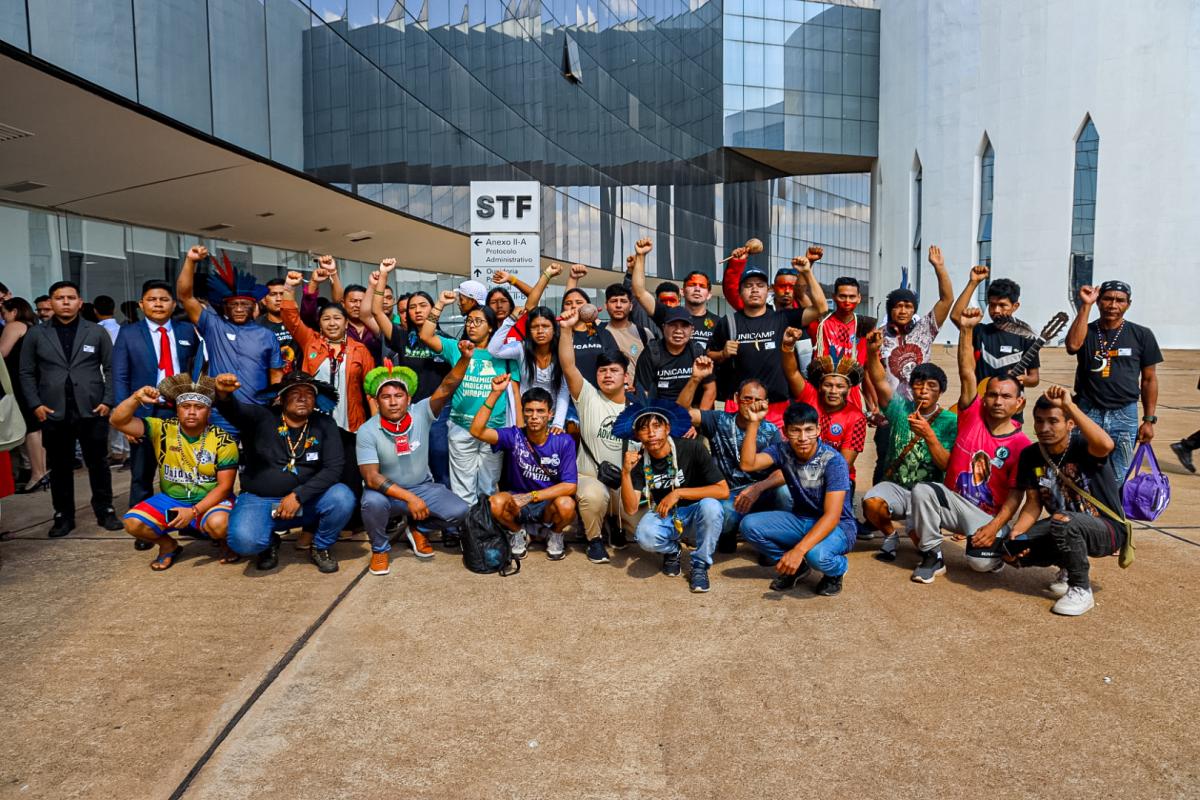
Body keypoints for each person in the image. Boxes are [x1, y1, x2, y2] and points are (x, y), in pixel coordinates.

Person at [907, 307, 1032, 584]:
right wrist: (966, 330)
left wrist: (994, 527)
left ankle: (996, 548)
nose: (998, 401)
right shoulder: (972, 415)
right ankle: (932, 557)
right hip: (954, 503)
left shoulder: (1022, 444)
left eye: (1006, 397)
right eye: (993, 395)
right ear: (984, 398)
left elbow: (1016, 496)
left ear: (1019, 402)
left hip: (985, 516)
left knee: (980, 565)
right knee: (922, 491)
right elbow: (967, 372)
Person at [999, 386, 1127, 616]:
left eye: (1053, 421)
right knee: (1010, 550)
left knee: (1063, 521)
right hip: (1061, 525)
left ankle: (1081, 588)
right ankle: (1068, 564)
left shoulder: (1084, 447)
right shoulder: (1031, 455)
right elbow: (1033, 503)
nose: (1044, 428)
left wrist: (1069, 405)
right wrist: (1018, 533)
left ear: (1070, 423)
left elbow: (1106, 445)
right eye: (1039, 421)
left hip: (1107, 529)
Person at [218, 371, 355, 573]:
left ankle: (321, 545)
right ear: (281, 398)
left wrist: (299, 496)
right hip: (261, 500)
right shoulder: (261, 416)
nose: (302, 398)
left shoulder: (325, 423)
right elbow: (234, 410)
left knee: (342, 497)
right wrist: (223, 395)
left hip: (306, 502)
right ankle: (268, 543)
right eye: (295, 393)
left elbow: (333, 468)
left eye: (309, 394)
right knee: (243, 542)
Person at [18, 281, 122, 537]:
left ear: (80, 302)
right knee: (60, 466)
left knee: (98, 463)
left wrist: (108, 401)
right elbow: (26, 372)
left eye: (70, 297)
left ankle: (105, 510)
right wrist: (35, 404)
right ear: (50, 302)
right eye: (59, 298)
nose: (65, 302)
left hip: (92, 408)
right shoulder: (36, 334)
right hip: (52, 409)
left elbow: (112, 368)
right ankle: (63, 515)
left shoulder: (96, 332)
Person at [357, 356, 474, 575]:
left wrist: (465, 359)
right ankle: (380, 548)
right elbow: (371, 477)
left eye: (398, 396)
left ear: (409, 398)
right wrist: (410, 498)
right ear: (376, 401)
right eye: (386, 397)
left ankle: (418, 527)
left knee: (460, 511)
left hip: (422, 487)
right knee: (371, 503)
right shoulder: (367, 430)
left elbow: (447, 386)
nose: (393, 402)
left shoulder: (421, 412)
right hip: (386, 494)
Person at [109, 375, 238, 570]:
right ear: (177, 409)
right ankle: (168, 545)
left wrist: (193, 511)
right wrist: (136, 398)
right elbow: (117, 421)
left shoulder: (223, 440)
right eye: (186, 406)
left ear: (209, 412)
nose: (192, 412)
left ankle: (224, 541)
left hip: (211, 501)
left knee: (220, 524)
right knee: (133, 523)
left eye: (199, 407)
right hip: (173, 500)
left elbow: (225, 487)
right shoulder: (162, 429)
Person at [112, 280, 202, 549]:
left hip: (180, 412)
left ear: (173, 304)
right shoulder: (129, 333)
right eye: (152, 300)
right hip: (144, 413)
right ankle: (145, 530)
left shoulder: (186, 330)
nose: (158, 304)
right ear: (142, 304)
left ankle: (187, 522)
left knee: (184, 471)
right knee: (142, 472)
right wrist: (125, 420)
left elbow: (197, 368)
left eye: (164, 299)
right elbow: (120, 376)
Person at [739, 400, 857, 596]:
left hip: (839, 527)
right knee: (749, 525)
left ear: (818, 430)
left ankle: (837, 570)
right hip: (802, 519)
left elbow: (832, 516)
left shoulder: (833, 461)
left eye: (809, 430)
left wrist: (799, 550)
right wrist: (753, 423)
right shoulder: (782, 450)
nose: (803, 438)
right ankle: (797, 567)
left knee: (817, 556)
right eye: (795, 431)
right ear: (785, 432)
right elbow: (747, 464)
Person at [861, 329, 957, 562]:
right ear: (911, 388)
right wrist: (872, 353)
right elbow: (880, 381)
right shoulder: (900, 409)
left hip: (927, 494)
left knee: (923, 545)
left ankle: (922, 529)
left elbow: (946, 464)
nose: (924, 390)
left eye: (932, 386)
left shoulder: (950, 421)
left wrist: (928, 435)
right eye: (918, 385)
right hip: (897, 487)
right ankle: (891, 535)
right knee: (871, 504)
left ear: (941, 391)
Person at [616, 397, 728, 593]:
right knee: (644, 535)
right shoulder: (639, 462)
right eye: (644, 428)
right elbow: (631, 508)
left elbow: (722, 490)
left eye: (656, 426)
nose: (651, 433)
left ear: (667, 428)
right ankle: (672, 550)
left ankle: (700, 565)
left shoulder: (692, 448)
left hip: (696, 515)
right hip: (665, 516)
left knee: (712, 506)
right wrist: (625, 473)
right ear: (637, 435)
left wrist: (679, 493)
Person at [419, 292, 521, 507]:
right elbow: (426, 335)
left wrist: (518, 430)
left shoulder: (504, 354)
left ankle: (485, 524)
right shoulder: (457, 348)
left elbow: (514, 392)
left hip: (493, 429)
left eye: (478, 322)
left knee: (488, 487)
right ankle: (467, 527)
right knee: (462, 489)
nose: (472, 326)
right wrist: (440, 304)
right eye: (469, 321)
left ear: (491, 327)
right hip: (460, 426)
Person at [676, 357, 788, 548]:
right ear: (736, 398)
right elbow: (680, 414)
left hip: (761, 492)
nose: (752, 404)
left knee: (785, 492)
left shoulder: (771, 431)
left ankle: (775, 537)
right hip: (729, 494)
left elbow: (784, 471)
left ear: (766, 403)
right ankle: (730, 532)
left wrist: (758, 488)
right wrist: (695, 379)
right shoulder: (719, 420)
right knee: (723, 514)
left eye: (758, 400)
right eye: (747, 398)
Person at [707, 256, 828, 426]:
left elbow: (821, 308)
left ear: (768, 290)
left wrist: (807, 272)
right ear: (740, 292)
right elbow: (709, 355)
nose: (754, 290)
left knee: (776, 445)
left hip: (776, 408)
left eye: (760, 285)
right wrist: (722, 353)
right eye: (748, 286)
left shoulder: (782, 319)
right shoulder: (728, 322)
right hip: (739, 406)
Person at [176, 245, 284, 434]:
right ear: (225, 307)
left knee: (259, 454)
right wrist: (190, 261)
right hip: (222, 414)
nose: (239, 309)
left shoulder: (267, 335)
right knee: (224, 454)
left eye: (244, 304)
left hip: (258, 413)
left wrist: (276, 403)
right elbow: (185, 296)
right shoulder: (213, 326)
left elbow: (276, 374)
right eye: (234, 305)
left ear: (254, 306)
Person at [870, 244, 955, 484]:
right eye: (897, 306)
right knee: (885, 461)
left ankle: (923, 500)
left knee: (924, 460)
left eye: (908, 306)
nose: (903, 310)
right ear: (890, 310)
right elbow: (871, 375)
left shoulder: (924, 330)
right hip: (892, 411)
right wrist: (872, 406)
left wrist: (939, 267)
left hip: (923, 408)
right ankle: (879, 502)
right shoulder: (878, 336)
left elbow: (947, 299)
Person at [470, 378, 579, 561]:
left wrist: (532, 496)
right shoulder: (514, 436)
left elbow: (570, 485)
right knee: (494, 503)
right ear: (523, 413)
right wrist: (495, 393)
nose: (534, 416)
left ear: (550, 414)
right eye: (529, 411)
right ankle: (517, 532)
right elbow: (476, 431)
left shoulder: (563, 441)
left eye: (540, 411)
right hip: (516, 502)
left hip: (546, 503)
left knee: (567, 505)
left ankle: (554, 533)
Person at [1065, 281, 1161, 482]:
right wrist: (1086, 305)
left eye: (1120, 300)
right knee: (1079, 473)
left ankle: (1112, 504)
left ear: (1128, 304)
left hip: (1124, 414)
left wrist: (1148, 420)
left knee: (1118, 476)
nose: (1113, 305)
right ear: (1099, 301)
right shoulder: (1086, 330)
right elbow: (1073, 345)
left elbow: (1149, 379)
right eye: (1107, 299)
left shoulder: (1142, 335)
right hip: (1087, 411)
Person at [371, 260, 453, 490]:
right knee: (409, 464)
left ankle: (444, 508)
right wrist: (384, 275)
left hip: (438, 412)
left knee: (439, 459)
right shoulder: (402, 337)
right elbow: (376, 311)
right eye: (412, 307)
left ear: (433, 309)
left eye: (423, 305)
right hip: (409, 411)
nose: (417, 310)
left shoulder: (446, 341)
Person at [557, 307, 630, 564]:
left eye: (614, 370)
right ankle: (594, 539)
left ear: (625, 376)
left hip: (624, 479)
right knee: (593, 496)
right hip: (590, 476)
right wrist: (566, 329)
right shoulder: (588, 396)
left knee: (642, 525)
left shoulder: (636, 407)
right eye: (602, 371)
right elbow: (568, 365)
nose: (607, 375)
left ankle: (617, 523)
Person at [780, 327, 868, 482]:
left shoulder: (856, 418)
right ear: (820, 387)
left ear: (848, 389)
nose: (833, 391)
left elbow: (843, 464)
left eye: (839, 386)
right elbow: (792, 373)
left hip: (836, 478)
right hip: (799, 471)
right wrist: (787, 347)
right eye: (828, 385)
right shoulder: (809, 395)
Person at [949, 266, 1041, 392]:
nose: (996, 310)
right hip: (980, 399)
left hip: (1010, 402)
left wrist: (1023, 379)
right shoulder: (979, 332)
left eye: (1002, 305)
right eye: (992, 305)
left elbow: (1034, 378)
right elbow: (956, 316)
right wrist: (973, 282)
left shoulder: (1027, 337)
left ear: (1015, 306)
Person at [488, 306, 570, 433]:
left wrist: (558, 423)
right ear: (528, 330)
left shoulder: (562, 351)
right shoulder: (521, 349)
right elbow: (494, 350)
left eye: (545, 326)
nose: (540, 331)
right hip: (526, 417)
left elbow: (564, 388)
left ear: (554, 329)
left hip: (552, 418)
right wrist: (510, 320)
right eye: (534, 327)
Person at [629, 238, 721, 349]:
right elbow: (639, 292)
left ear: (709, 294)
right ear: (682, 291)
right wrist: (641, 255)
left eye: (702, 286)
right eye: (692, 285)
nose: (697, 289)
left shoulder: (719, 323)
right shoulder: (668, 314)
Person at [1, 298, 48, 494]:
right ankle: (42, 472)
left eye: (4, 313)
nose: (3, 317)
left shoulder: (14, 326)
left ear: (14, 311)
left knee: (30, 429)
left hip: (19, 382)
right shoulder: (33, 327)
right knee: (37, 428)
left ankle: (37, 474)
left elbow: (2, 353)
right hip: (34, 381)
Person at [633, 307, 715, 408]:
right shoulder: (651, 353)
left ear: (692, 330)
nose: (678, 331)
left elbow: (710, 389)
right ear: (663, 327)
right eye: (673, 325)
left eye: (684, 326)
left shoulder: (698, 352)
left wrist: (701, 416)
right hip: (660, 412)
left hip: (691, 411)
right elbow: (642, 393)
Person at [722, 242, 824, 312]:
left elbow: (820, 309)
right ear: (772, 287)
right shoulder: (757, 308)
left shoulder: (802, 309)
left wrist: (808, 265)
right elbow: (731, 291)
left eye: (792, 287)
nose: (787, 291)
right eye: (782, 286)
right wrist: (737, 262)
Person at [257, 277, 298, 373]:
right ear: (264, 300)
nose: (279, 299)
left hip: (297, 378)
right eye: (273, 294)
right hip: (269, 378)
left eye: (282, 294)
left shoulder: (298, 322)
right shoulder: (256, 326)